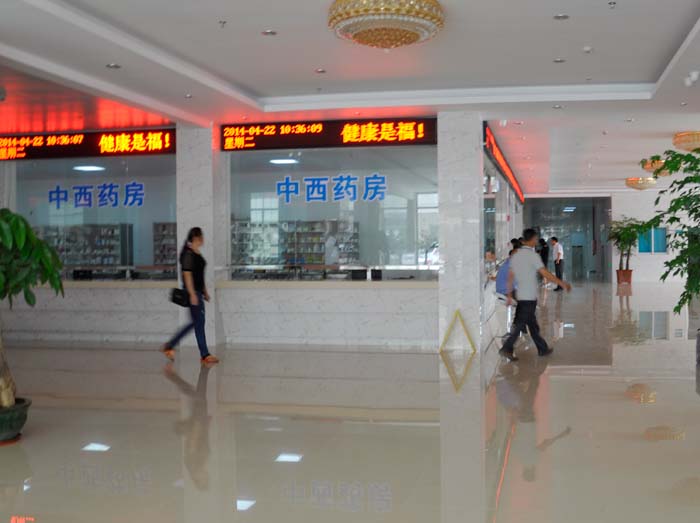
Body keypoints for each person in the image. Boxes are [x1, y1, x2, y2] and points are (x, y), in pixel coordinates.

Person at [499, 228, 571, 362]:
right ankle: (507, 348)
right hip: (528, 296)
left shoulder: (517, 255)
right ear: (532, 239)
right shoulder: (532, 256)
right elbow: (545, 273)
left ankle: (542, 348)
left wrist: (509, 294)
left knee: (532, 325)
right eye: (536, 238)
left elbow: (510, 276)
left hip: (521, 294)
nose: (536, 241)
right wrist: (561, 283)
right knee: (520, 324)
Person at [161, 227, 219, 365]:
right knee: (198, 323)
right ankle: (204, 354)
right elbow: (187, 275)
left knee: (196, 323)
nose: (203, 239)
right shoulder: (188, 254)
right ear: (196, 238)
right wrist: (192, 294)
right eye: (201, 236)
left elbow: (199, 275)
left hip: (198, 292)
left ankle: (170, 346)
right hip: (193, 293)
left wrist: (204, 291)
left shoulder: (195, 252)